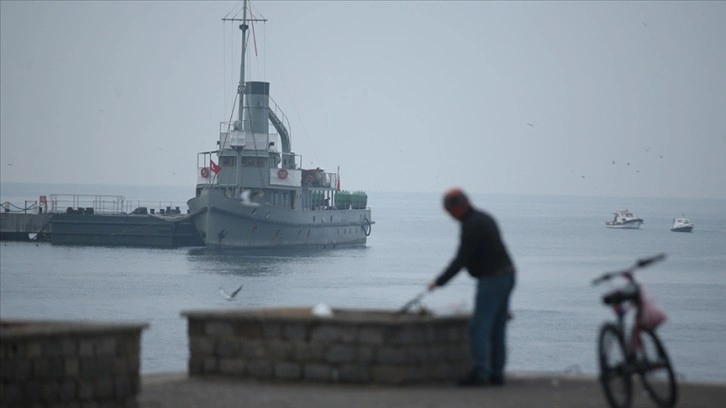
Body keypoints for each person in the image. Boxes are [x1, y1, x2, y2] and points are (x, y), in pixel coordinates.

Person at [427, 188, 516, 387]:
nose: (450, 216)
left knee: (479, 327)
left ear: (458, 207)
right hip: (507, 275)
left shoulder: (472, 225)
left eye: (450, 212)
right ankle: (497, 374)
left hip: (492, 279)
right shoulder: (484, 218)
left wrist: (439, 282)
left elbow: (461, 259)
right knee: (497, 328)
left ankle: (481, 373)